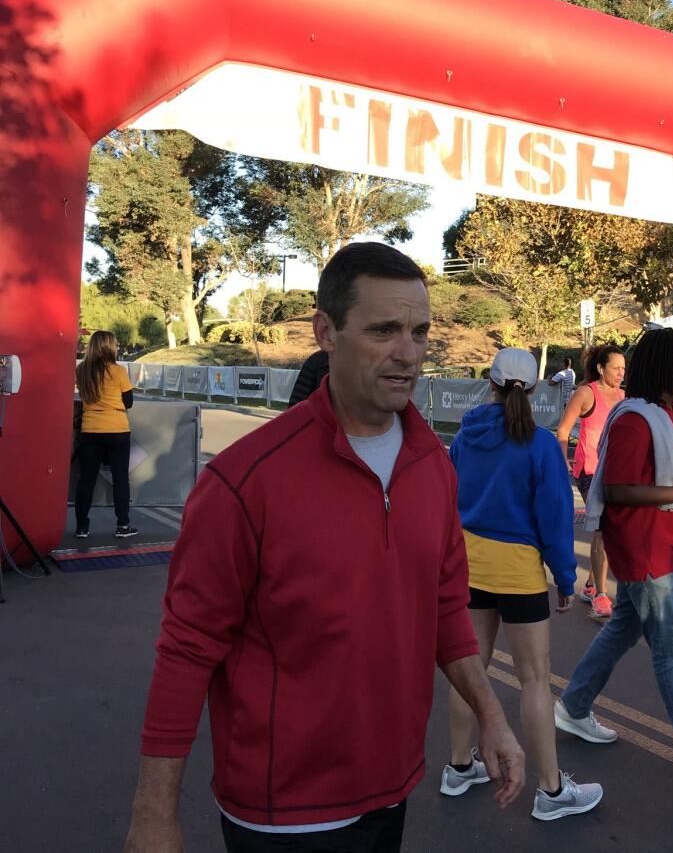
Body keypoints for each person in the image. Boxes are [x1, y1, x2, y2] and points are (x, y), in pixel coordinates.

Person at [123, 243, 524, 853]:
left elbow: (445, 609)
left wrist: (491, 715)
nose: (408, 354)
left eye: (419, 332)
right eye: (384, 330)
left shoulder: (434, 468)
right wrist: (154, 815)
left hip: (392, 786)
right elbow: (187, 649)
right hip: (283, 811)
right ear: (326, 332)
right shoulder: (244, 480)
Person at [554, 328, 673, 795]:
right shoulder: (634, 419)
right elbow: (618, 489)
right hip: (641, 549)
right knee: (672, 652)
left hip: (662, 543)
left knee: (624, 626)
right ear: (661, 366)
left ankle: (574, 707)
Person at [445, 347, 602, 821]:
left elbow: (446, 499)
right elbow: (554, 517)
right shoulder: (538, 444)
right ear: (534, 389)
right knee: (535, 679)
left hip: (468, 567)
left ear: (487, 381)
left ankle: (458, 767)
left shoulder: (465, 436)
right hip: (519, 573)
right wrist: (565, 577)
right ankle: (551, 792)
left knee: (471, 670)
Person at [557, 344, 626, 619]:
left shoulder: (624, 396)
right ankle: (600, 594)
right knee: (604, 529)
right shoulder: (586, 393)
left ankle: (588, 584)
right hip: (589, 472)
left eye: (624, 368)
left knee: (612, 530)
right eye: (616, 368)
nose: (621, 373)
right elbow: (563, 429)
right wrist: (563, 462)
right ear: (601, 368)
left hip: (615, 472)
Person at [74, 329, 138, 540]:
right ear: (109, 346)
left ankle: (82, 527)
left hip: (90, 429)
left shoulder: (82, 370)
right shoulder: (117, 371)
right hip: (117, 428)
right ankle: (123, 525)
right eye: (115, 344)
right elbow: (128, 401)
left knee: (86, 480)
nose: (117, 347)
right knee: (120, 479)